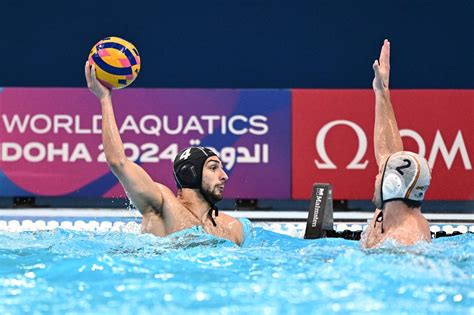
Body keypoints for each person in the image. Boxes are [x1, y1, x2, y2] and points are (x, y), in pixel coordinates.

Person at [84, 62, 248, 245]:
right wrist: (105, 99)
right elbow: (118, 162)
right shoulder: (162, 204)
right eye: (213, 168)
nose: (224, 176)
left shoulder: (233, 228)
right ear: (190, 174)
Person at [360, 40, 432, 248]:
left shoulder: (404, 241)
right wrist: (382, 93)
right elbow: (388, 153)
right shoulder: (390, 212)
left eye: (381, 173)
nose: (376, 174)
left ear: (392, 185)